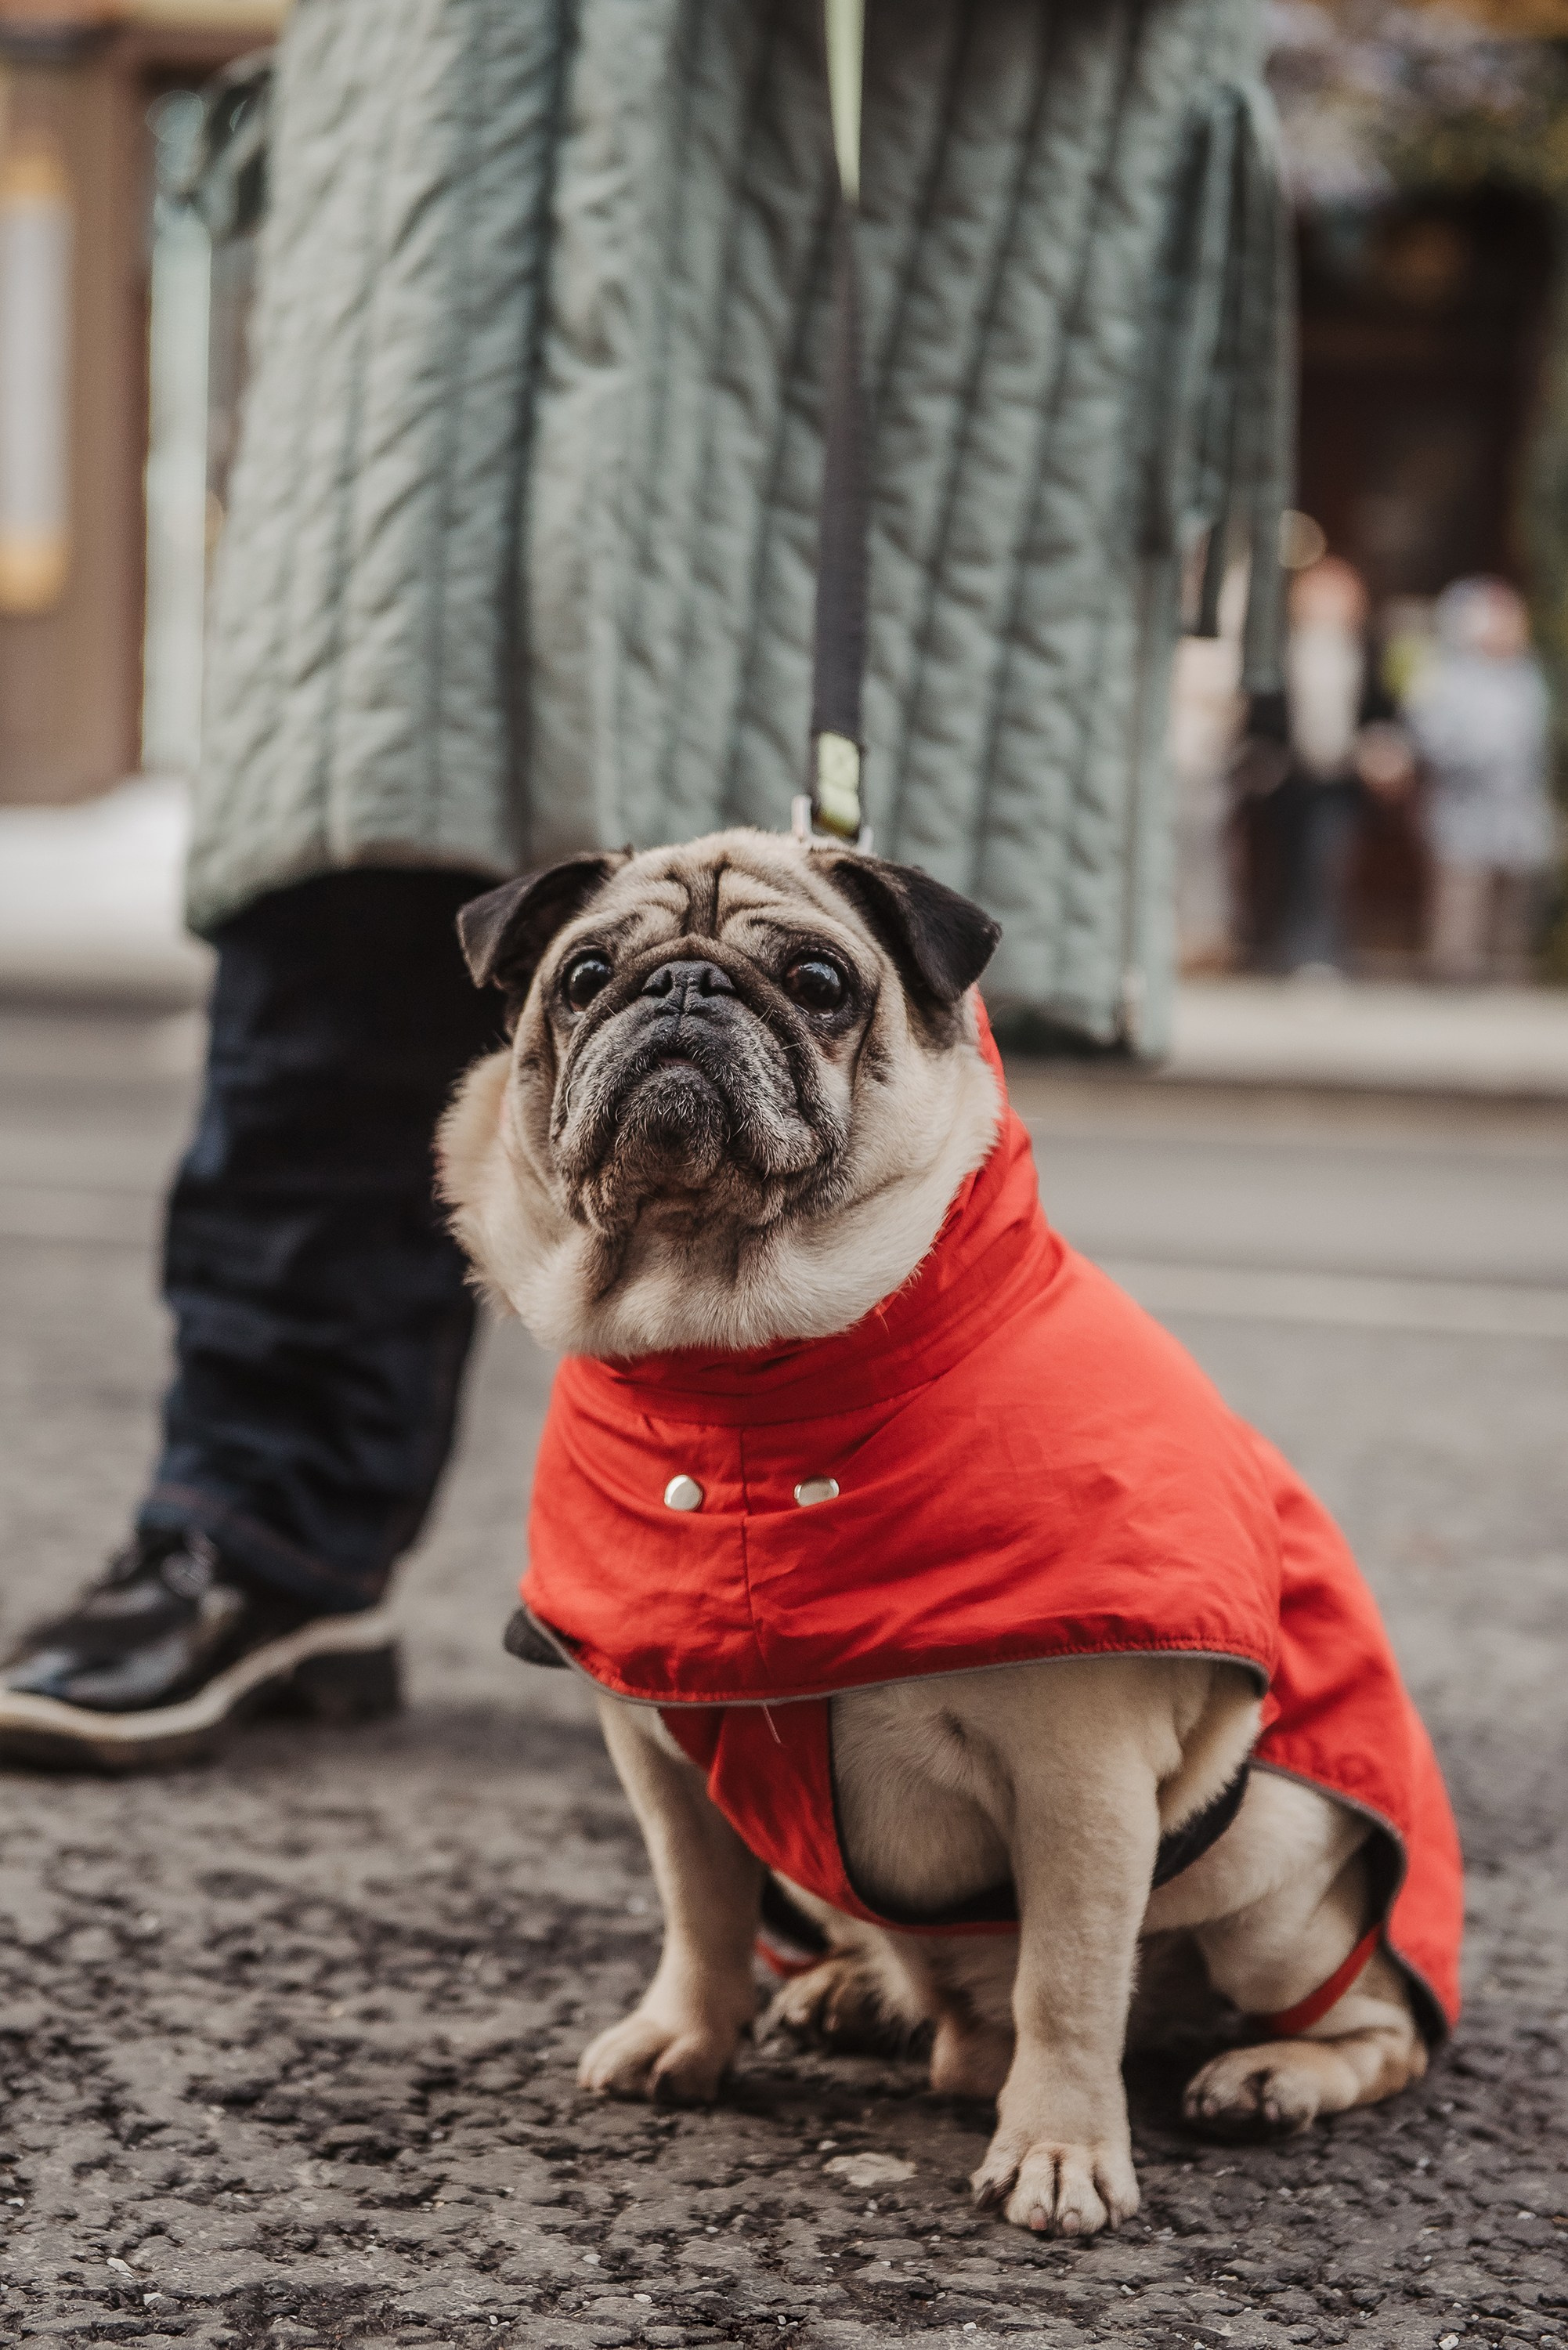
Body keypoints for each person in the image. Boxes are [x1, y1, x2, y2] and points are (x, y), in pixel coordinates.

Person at [0, 0, 1291, 1767]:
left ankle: (875, 1597)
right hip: (455, 171)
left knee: (855, 1029)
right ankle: (263, 1527)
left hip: (878, 179)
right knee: (354, 879)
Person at [1234, 555, 1399, 976]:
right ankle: (1286, 949)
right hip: (1289, 776)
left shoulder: (1367, 648)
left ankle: (1324, 950)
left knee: (1330, 860)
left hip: (1343, 775)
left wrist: (1382, 750)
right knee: (1288, 862)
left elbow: (1381, 710)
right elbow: (1263, 708)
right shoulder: (1283, 646)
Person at [1404, 577, 1555, 983]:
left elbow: (1534, 741)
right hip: (1463, 802)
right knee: (1461, 894)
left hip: (1516, 808)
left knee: (1513, 900)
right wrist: (1476, 760)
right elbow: (1430, 733)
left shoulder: (1525, 674)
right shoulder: (1445, 673)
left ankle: (1508, 971)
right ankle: (1454, 974)